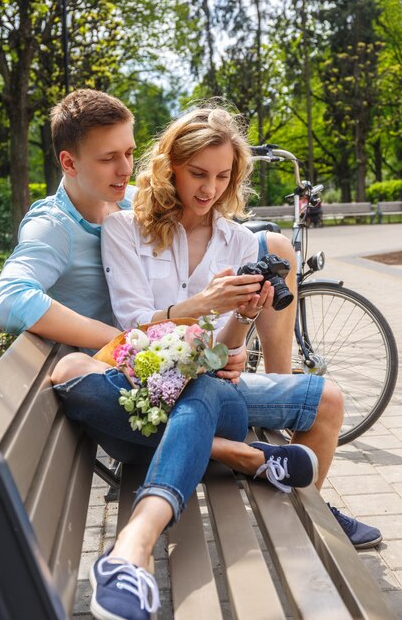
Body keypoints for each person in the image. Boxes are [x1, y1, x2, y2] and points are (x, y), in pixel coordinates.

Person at [51, 106, 381, 620]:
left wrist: (243, 318)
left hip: (210, 387)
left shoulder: (238, 239)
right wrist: (203, 304)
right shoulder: (125, 229)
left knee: (325, 398)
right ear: (171, 168)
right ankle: (243, 457)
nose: (210, 189)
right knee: (95, 377)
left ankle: (307, 515)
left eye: (223, 175)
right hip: (155, 385)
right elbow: (133, 328)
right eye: (198, 174)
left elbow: (226, 355)